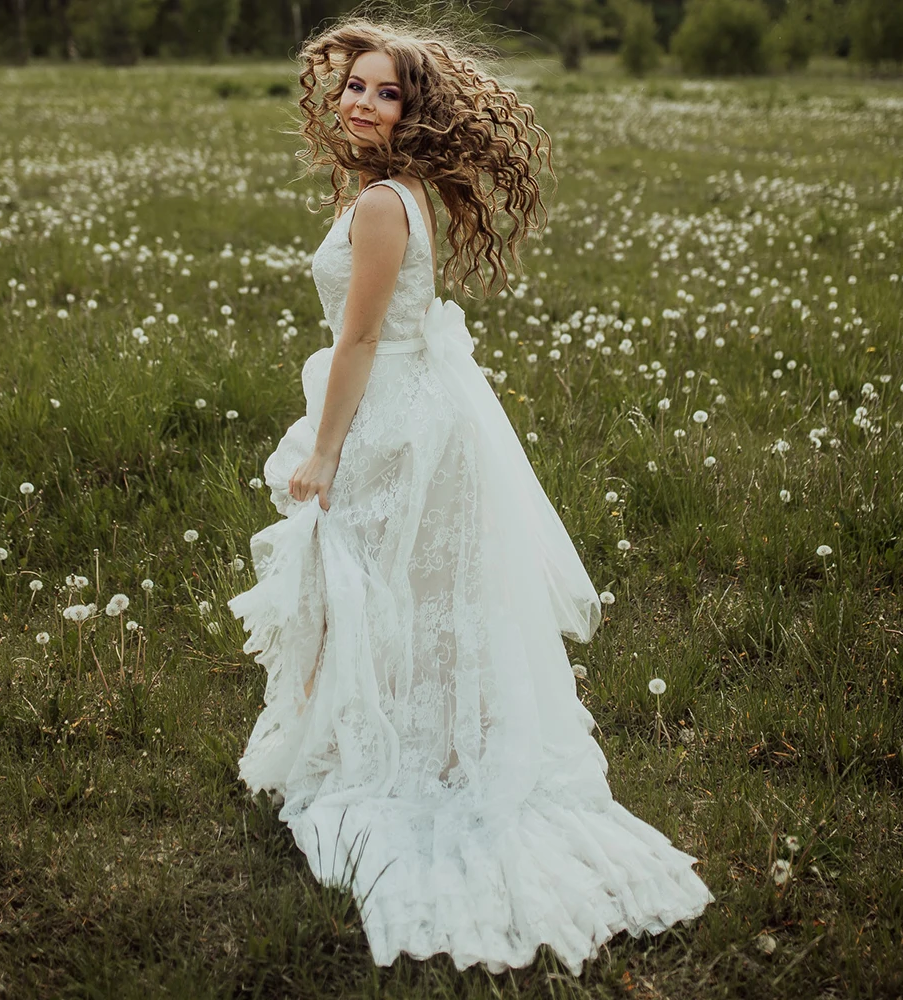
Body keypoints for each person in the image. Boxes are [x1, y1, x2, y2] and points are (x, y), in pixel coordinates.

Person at [227, 15, 714, 975]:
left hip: (392, 414)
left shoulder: (380, 206)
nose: (360, 102)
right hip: (424, 408)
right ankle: (416, 740)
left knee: (367, 582)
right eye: (355, 86)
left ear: (417, 111)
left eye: (385, 92)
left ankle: (392, 762)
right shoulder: (402, 191)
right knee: (413, 591)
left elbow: (362, 341)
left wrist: (324, 453)